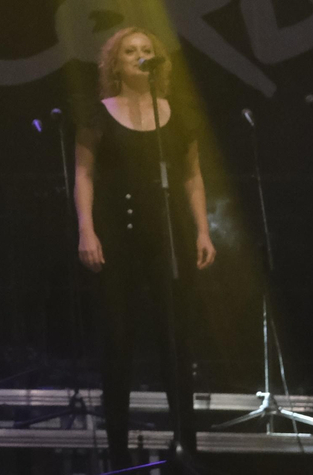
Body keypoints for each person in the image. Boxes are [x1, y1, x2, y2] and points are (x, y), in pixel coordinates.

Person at [74, 26, 215, 470]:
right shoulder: (97, 115)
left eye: (146, 50)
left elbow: (192, 176)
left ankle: (184, 448)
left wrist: (202, 231)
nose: (139, 56)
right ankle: (117, 452)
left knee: (176, 341)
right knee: (119, 340)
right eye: (130, 51)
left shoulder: (178, 112)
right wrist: (86, 230)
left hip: (166, 235)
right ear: (115, 62)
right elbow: (83, 175)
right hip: (116, 236)